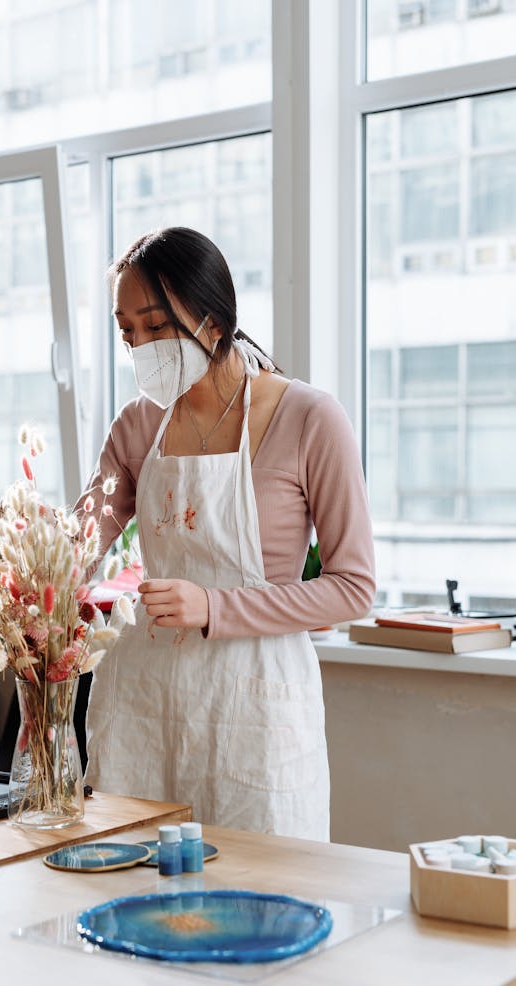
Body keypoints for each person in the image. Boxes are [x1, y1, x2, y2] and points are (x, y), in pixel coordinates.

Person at [76, 227, 375, 840]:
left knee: (261, 902)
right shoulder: (137, 425)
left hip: (254, 713)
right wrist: (20, 577)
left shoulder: (310, 419)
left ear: (213, 321)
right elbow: (79, 543)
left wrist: (213, 606)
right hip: (143, 704)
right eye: (127, 330)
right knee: (134, 899)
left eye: (156, 326)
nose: (140, 345)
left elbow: (353, 589)